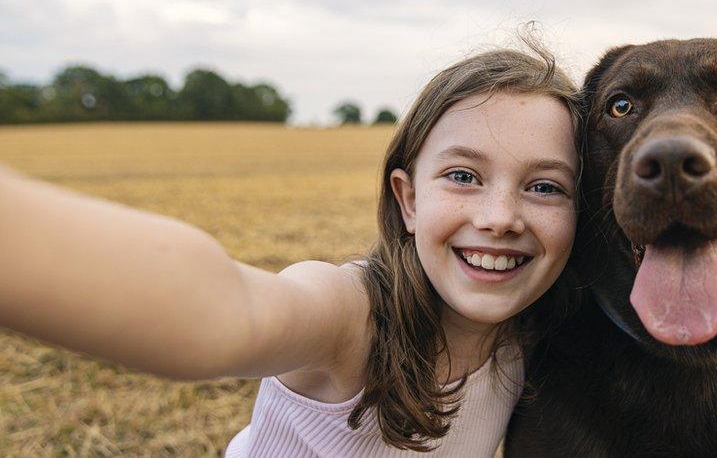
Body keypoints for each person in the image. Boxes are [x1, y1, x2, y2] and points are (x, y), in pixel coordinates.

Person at [0, 44, 583, 456]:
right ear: (407, 200)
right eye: (462, 176)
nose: (500, 218)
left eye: (545, 187)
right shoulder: (349, 316)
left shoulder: (529, 335)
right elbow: (226, 312)